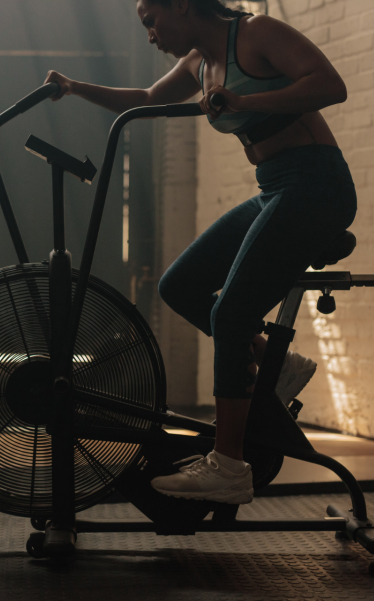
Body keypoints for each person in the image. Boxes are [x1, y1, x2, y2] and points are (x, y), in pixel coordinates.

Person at [45, 0, 354, 504]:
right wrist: (76, 88)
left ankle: (229, 467)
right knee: (181, 285)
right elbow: (143, 98)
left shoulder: (255, 34)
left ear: (183, 6)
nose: (149, 34)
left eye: (151, 20)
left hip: (316, 183)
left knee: (231, 313)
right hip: (275, 185)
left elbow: (330, 86)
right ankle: (277, 364)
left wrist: (245, 102)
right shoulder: (198, 63)